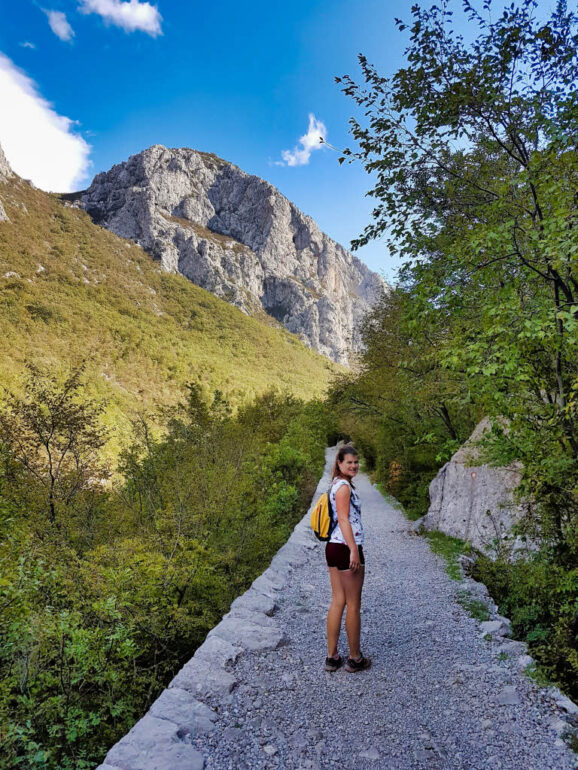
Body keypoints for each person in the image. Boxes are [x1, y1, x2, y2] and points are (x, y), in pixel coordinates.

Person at [324, 445, 371, 673]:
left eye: (356, 461)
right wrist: (353, 549)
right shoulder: (343, 488)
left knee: (338, 600)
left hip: (332, 547)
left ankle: (332, 658)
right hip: (345, 547)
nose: (353, 465)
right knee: (353, 605)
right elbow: (343, 520)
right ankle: (355, 659)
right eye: (349, 462)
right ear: (339, 464)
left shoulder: (335, 484)